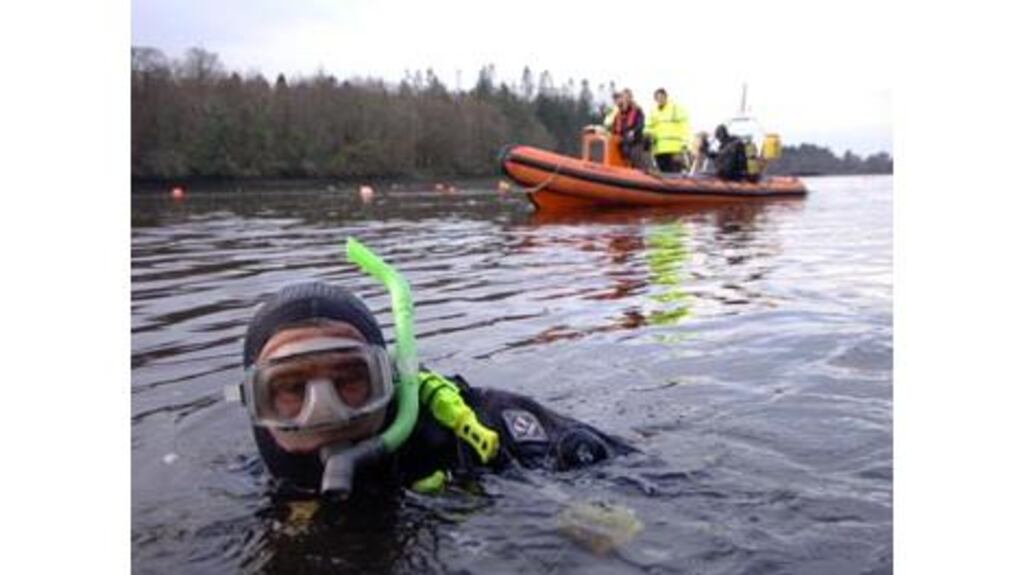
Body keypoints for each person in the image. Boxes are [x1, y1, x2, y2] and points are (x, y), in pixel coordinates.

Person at [233, 279, 635, 499]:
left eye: (350, 379)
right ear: (256, 403)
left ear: (388, 379)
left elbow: (638, 476)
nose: (324, 410)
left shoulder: (482, 431)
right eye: (290, 389)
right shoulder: (249, 490)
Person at [643, 88, 690, 173]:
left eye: (662, 97)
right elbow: (648, 127)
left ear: (666, 97)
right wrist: (647, 135)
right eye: (657, 98)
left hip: (674, 149)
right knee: (663, 174)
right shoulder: (653, 112)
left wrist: (685, 143)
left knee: (675, 175)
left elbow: (685, 126)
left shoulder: (675, 108)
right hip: (659, 150)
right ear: (655, 99)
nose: (660, 99)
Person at [610, 89, 648, 169]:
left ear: (631, 98)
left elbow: (640, 124)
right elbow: (614, 129)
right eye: (624, 97)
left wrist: (633, 131)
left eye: (628, 97)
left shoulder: (637, 111)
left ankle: (643, 174)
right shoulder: (618, 115)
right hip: (623, 143)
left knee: (635, 157)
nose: (626, 99)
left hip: (635, 142)